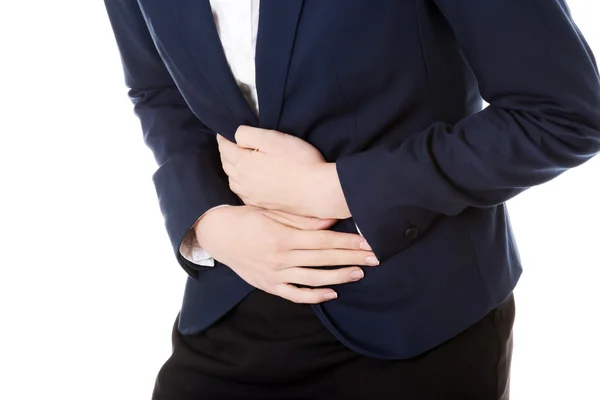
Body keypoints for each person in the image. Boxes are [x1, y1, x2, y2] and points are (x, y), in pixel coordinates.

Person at [104, 1, 600, 398]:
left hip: (421, 317)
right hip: (236, 294)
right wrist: (207, 221)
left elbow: (561, 115)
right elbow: (158, 90)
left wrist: (337, 188)